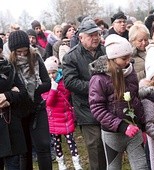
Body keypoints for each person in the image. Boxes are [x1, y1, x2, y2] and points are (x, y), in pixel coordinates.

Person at [88, 34, 148, 170]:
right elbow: (97, 108)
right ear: (113, 58)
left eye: (129, 57)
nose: (129, 61)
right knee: (114, 167)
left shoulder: (130, 72)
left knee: (142, 166)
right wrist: (122, 126)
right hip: (113, 134)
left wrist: (143, 126)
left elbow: (136, 100)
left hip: (134, 131)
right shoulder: (99, 79)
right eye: (124, 58)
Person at [62, 20, 106, 170]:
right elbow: (70, 82)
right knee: (96, 146)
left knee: (110, 145)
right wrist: (96, 87)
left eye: (97, 34)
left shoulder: (106, 51)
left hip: (108, 106)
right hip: (87, 109)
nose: (95, 38)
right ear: (81, 37)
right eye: (91, 35)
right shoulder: (71, 57)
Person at [8, 30, 52, 170]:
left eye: (24, 51)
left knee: (43, 146)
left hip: (37, 108)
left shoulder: (36, 59)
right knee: (24, 151)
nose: (22, 54)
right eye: (18, 52)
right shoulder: (8, 65)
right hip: (18, 112)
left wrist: (30, 89)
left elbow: (47, 83)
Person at [42, 56, 82, 170]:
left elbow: (69, 95)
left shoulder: (63, 82)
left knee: (71, 141)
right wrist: (53, 90)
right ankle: (61, 163)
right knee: (57, 143)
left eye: (53, 72)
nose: (51, 76)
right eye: (49, 73)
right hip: (53, 118)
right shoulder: (45, 85)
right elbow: (49, 102)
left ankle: (76, 162)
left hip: (65, 116)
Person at [0, 40, 29, 170]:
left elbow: (23, 92)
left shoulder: (9, 68)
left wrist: (7, 96)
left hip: (10, 125)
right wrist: (11, 90)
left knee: (13, 165)